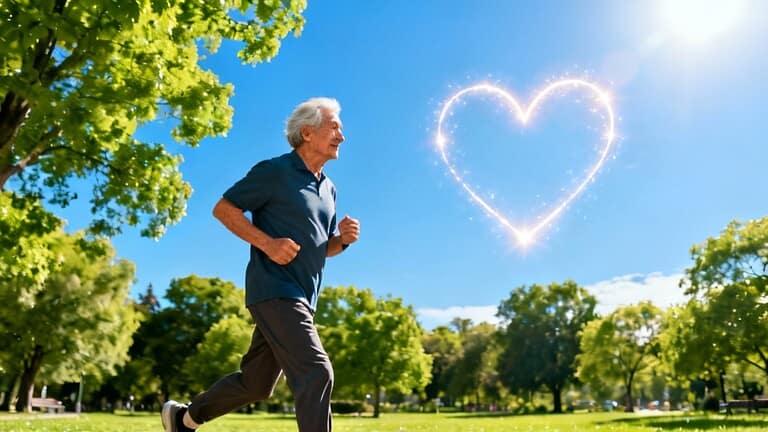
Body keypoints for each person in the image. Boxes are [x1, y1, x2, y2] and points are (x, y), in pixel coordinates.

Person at [161, 97, 360, 432]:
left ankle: (183, 419)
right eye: (334, 126)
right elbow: (224, 209)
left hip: (304, 298)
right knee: (316, 371)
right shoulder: (275, 171)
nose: (341, 135)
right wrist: (268, 243)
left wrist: (343, 239)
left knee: (256, 384)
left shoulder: (329, 189)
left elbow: (321, 248)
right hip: (275, 290)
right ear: (307, 133)